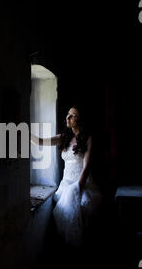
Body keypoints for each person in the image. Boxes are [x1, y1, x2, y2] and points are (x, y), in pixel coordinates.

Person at [31, 105, 101, 247]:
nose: (67, 117)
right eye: (68, 114)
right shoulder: (64, 137)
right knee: (64, 211)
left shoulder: (88, 138)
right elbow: (40, 141)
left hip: (82, 182)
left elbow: (86, 167)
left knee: (81, 207)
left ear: (80, 120)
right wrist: (25, 133)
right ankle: (68, 247)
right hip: (66, 182)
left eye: (73, 115)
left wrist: (77, 188)